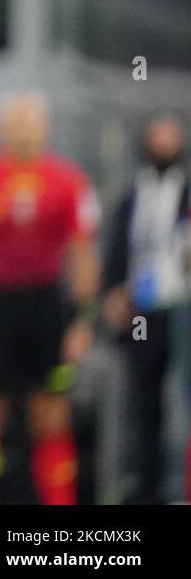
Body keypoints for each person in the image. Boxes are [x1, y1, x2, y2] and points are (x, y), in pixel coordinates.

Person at [0, 91, 101, 504]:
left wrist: (83, 320)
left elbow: (83, 253)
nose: (23, 131)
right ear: (2, 128)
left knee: (50, 415)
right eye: (16, 123)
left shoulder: (68, 181)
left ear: (45, 127)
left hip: (46, 305)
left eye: (30, 122)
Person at [102, 114, 191, 503]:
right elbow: (118, 250)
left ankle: (180, 486)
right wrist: (114, 292)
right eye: (158, 136)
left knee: (183, 396)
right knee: (143, 399)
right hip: (144, 308)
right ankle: (146, 486)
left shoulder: (186, 192)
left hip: (183, 308)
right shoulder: (133, 196)